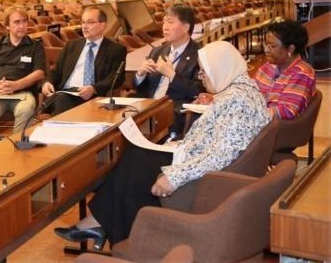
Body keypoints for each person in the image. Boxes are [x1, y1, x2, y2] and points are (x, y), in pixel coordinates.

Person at [54, 40, 272, 249]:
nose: (201, 76)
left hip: (201, 176)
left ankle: (116, 234)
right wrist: (180, 143)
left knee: (134, 164)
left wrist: (175, 176)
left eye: (204, 72)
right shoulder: (239, 91)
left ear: (221, 69)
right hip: (192, 157)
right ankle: (103, 225)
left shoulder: (238, 101)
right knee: (134, 157)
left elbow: (221, 154)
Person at [0, 6, 46, 148]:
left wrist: (16, 85)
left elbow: (39, 72)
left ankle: (17, 150)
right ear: (7, 26)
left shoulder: (35, 46)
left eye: (24, 21)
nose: (22, 26)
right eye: (17, 22)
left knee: (25, 110)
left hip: (23, 93)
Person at [41, 6, 126, 115]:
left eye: (90, 22)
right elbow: (56, 71)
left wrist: (94, 88)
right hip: (66, 92)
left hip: (93, 95)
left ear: (103, 25)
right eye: (83, 22)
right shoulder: (72, 45)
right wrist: (47, 82)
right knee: (61, 98)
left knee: (61, 100)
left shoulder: (116, 49)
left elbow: (116, 77)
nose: (84, 26)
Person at [134, 4, 203, 137]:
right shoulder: (157, 51)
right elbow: (142, 88)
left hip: (175, 112)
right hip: (150, 107)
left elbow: (198, 91)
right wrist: (140, 74)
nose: (165, 27)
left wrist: (172, 75)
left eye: (170, 22)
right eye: (164, 22)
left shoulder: (200, 54)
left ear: (186, 28)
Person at [254, 19, 316, 120]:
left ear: (290, 49)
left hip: (273, 126)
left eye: (272, 46)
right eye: (266, 44)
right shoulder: (268, 67)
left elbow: (287, 110)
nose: (266, 50)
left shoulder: (303, 73)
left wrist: (251, 115)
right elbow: (250, 92)